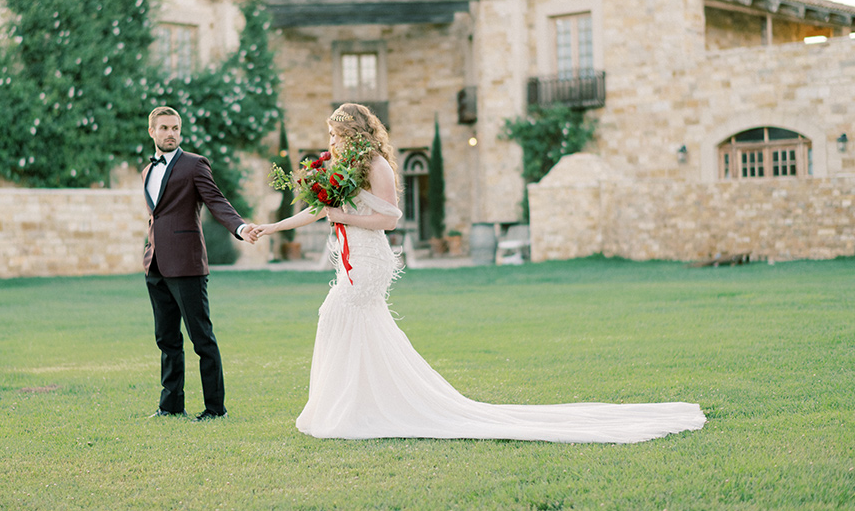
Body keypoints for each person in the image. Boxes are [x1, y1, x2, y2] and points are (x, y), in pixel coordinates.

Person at [252, 103, 706, 442]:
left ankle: (355, 409)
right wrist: (270, 226)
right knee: (345, 322)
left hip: (369, 259)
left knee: (342, 317)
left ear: (354, 132)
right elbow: (318, 210)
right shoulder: (341, 167)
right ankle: (351, 405)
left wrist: (343, 218)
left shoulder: (376, 165)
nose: (330, 142)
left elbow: (391, 218)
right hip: (352, 256)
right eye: (330, 135)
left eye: (336, 134)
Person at [141, 106, 256, 421]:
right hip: (155, 265)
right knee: (166, 339)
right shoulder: (147, 171)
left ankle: (215, 409)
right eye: (164, 128)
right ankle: (171, 405)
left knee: (201, 338)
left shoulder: (194, 165)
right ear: (152, 132)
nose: (170, 134)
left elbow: (216, 201)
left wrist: (240, 228)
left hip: (187, 265)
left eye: (175, 128)